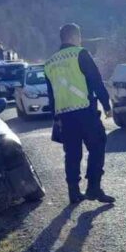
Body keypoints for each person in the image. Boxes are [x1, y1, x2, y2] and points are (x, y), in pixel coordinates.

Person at [44, 23, 115, 204]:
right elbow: (95, 80)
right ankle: (93, 188)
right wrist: (106, 104)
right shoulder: (80, 53)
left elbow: (51, 94)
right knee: (98, 145)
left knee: (72, 153)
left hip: (65, 115)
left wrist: (56, 117)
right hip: (85, 111)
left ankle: (74, 192)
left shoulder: (49, 63)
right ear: (75, 37)